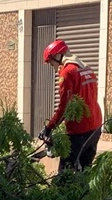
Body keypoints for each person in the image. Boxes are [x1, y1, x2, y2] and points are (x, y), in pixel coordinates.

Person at [38, 40, 103, 173]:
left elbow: (64, 107)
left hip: (79, 129)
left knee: (66, 173)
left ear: (57, 56)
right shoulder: (87, 68)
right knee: (85, 170)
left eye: (51, 63)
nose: (54, 68)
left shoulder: (68, 72)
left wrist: (49, 127)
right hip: (95, 126)